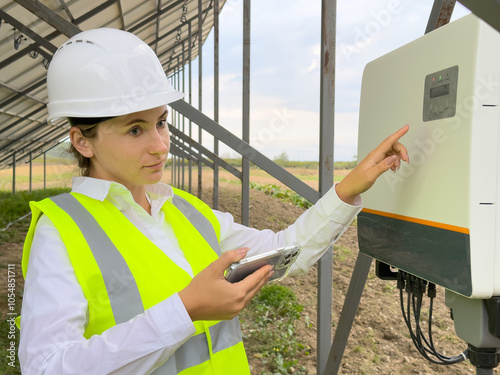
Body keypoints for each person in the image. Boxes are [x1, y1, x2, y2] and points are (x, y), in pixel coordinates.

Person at [17, 28, 409, 375]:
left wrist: (348, 189)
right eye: (134, 130)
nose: (160, 146)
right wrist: (184, 311)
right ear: (82, 141)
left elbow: (287, 252)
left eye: (161, 123)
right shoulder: (61, 231)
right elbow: (46, 365)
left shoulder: (185, 211)